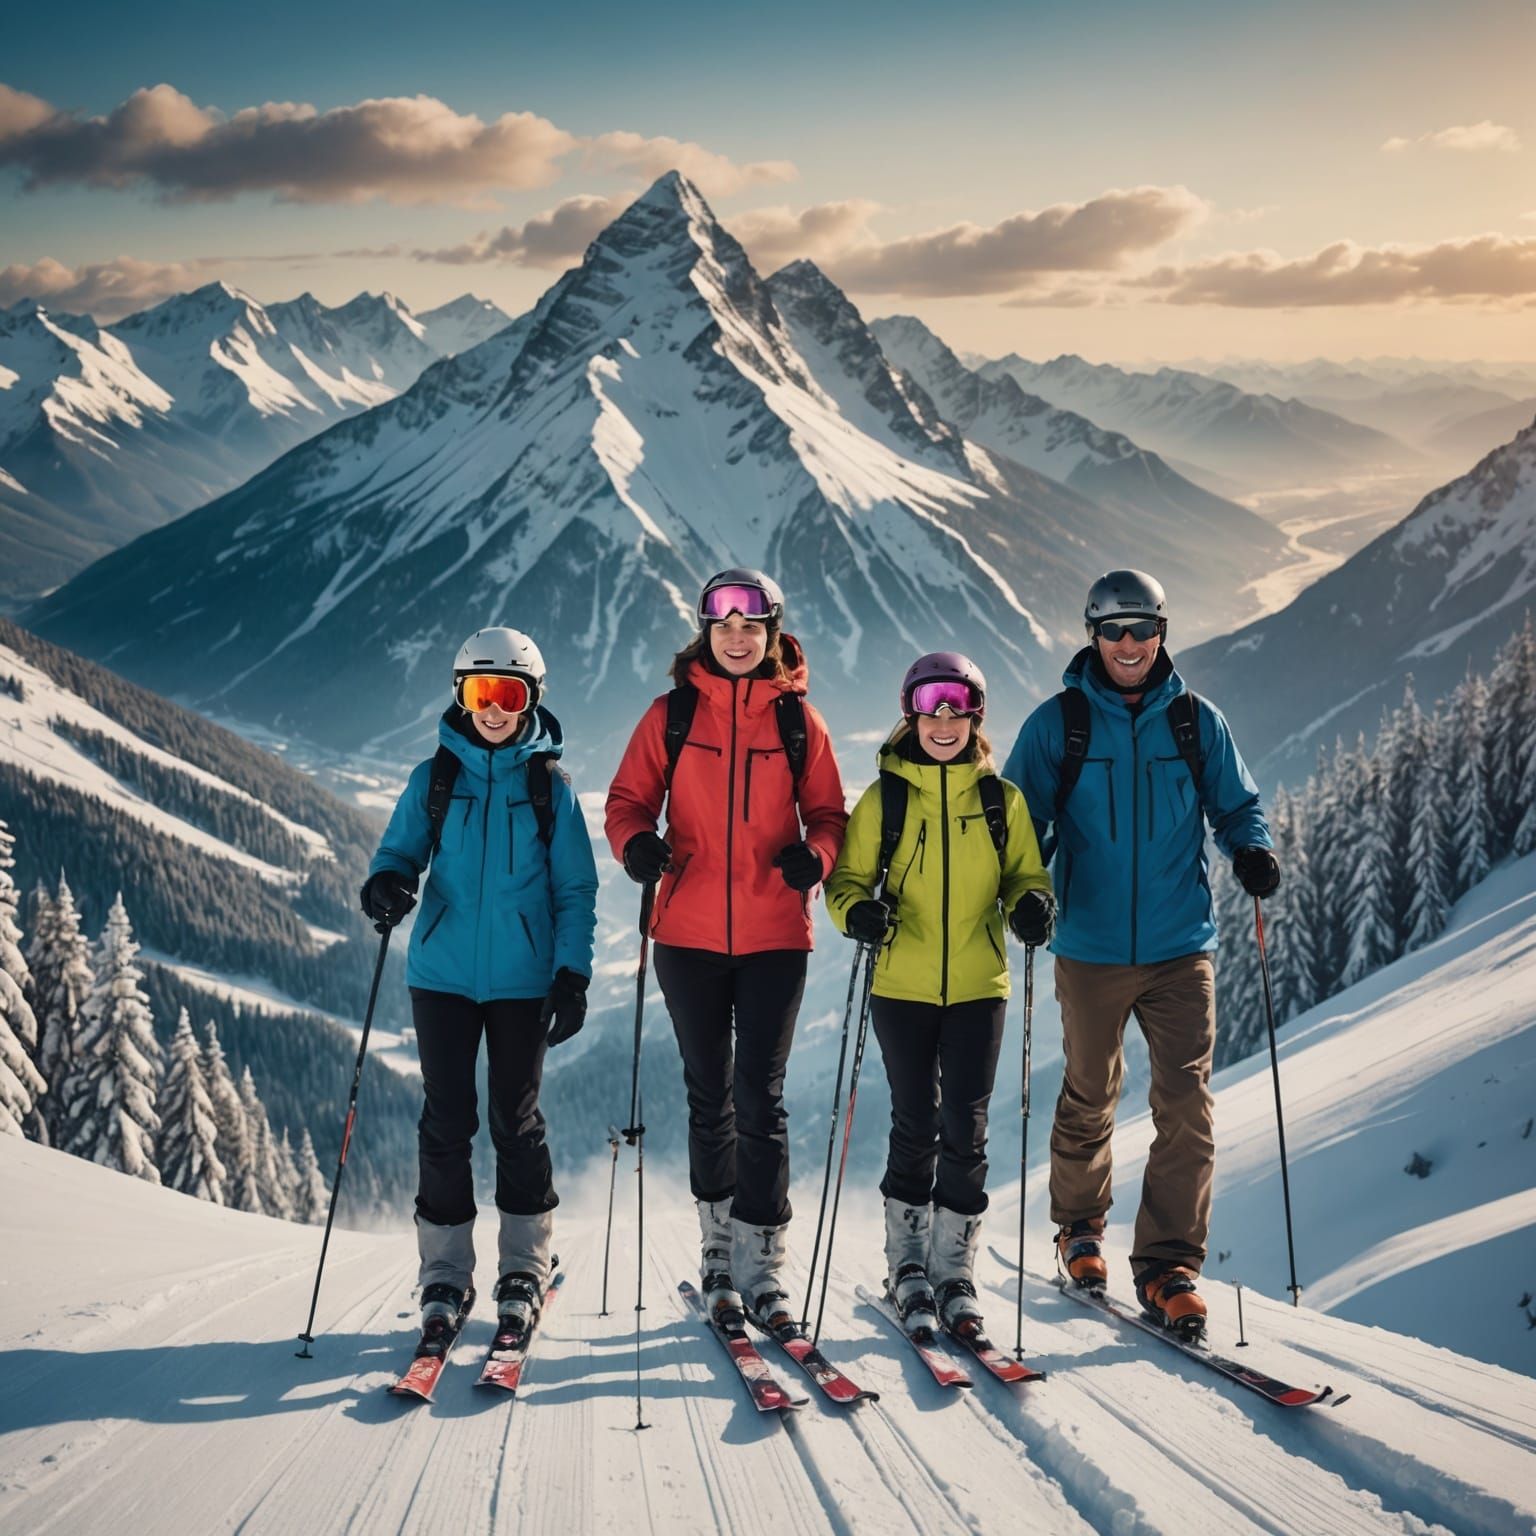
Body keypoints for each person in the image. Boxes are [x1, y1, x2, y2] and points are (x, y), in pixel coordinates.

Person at [1003, 570, 1278, 1337]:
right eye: (1114, 630)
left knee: (1185, 1104)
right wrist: (1025, 892)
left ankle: (1167, 1264)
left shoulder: (1194, 722)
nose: (1129, 644)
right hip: (1088, 947)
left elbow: (1237, 805)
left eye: (1142, 629)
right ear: (1092, 634)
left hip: (1179, 947)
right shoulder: (1059, 725)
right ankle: (1079, 1231)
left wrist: (1250, 851)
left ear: (1162, 631)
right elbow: (1016, 824)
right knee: (1091, 1091)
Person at [605, 568, 847, 1331]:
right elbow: (627, 802)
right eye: (723, 625)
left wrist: (820, 858)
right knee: (709, 1096)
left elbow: (829, 815)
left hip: (776, 933)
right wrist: (636, 844)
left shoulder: (801, 722)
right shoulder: (671, 714)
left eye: (751, 626)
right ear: (705, 632)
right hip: (687, 935)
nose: (737, 637)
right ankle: (718, 1251)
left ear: (772, 633)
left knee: (760, 1101)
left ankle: (763, 1264)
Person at [361, 627, 597, 1343]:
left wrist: (572, 973)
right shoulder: (435, 777)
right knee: (445, 1121)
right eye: (479, 692)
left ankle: (523, 1265)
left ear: (532, 700)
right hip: (442, 975)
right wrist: (386, 884)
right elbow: (399, 851)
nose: (493, 709)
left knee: (515, 1123)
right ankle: (444, 1274)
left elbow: (575, 890)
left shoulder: (548, 788)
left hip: (523, 981)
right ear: (461, 696)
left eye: (509, 693)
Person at [825, 653, 1054, 1336]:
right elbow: (845, 885)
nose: (945, 718)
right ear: (911, 714)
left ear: (976, 715)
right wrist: (856, 915)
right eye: (932, 705)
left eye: (958, 704)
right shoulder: (886, 799)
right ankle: (908, 1268)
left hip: (981, 985)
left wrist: (1032, 905)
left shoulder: (1000, 801)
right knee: (916, 1123)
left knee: (967, 1127)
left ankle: (955, 1272)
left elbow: (1026, 877)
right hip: (901, 987)